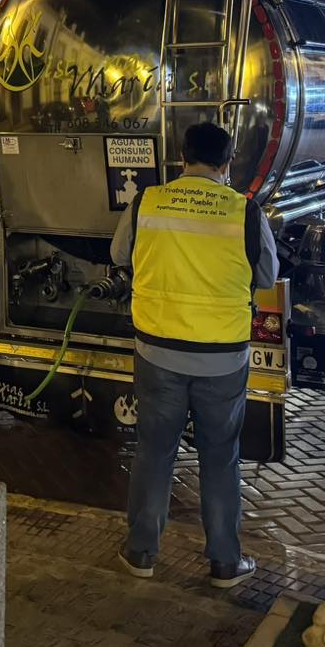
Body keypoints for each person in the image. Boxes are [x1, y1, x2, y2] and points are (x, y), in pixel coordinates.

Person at [111, 122, 278, 586]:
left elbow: (120, 254)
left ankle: (141, 553)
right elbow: (266, 275)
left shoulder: (148, 201)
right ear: (226, 164)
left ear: (182, 157)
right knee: (220, 455)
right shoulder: (244, 211)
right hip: (223, 359)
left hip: (159, 353)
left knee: (154, 451)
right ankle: (225, 562)